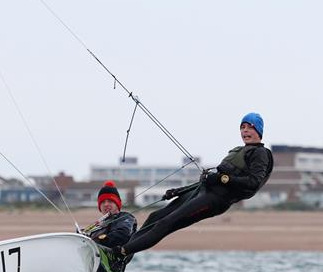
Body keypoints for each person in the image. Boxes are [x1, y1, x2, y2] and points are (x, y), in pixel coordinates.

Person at [111, 112, 273, 262]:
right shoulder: (242, 150)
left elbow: (253, 183)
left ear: (259, 131)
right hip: (202, 191)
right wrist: (179, 191)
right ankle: (122, 256)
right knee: (155, 217)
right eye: (242, 127)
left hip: (215, 200)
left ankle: (118, 253)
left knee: (166, 224)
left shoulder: (261, 153)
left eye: (250, 127)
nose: (245, 131)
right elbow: (213, 179)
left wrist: (222, 178)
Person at [81, 181, 137, 272]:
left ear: (117, 203)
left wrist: (95, 240)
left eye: (110, 201)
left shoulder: (126, 217)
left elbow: (123, 235)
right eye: (102, 202)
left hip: (111, 267)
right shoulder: (98, 225)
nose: (106, 204)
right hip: (95, 270)